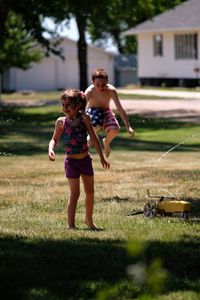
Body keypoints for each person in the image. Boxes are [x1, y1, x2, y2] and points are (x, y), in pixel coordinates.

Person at [48, 89, 110, 230]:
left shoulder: (84, 120)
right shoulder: (61, 122)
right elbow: (54, 139)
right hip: (71, 163)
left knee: (90, 192)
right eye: (63, 105)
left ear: (78, 107)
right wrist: (50, 149)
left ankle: (89, 220)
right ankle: (71, 225)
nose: (64, 108)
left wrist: (101, 157)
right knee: (74, 193)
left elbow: (94, 138)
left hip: (85, 161)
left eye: (68, 105)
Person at [85, 68, 135, 157]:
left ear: (107, 81)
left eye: (103, 84)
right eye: (98, 84)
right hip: (92, 111)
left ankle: (106, 142)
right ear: (93, 82)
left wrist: (128, 126)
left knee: (115, 130)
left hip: (106, 111)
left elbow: (119, 108)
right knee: (96, 125)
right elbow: (82, 108)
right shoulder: (89, 92)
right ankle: (88, 143)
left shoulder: (111, 90)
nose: (101, 87)